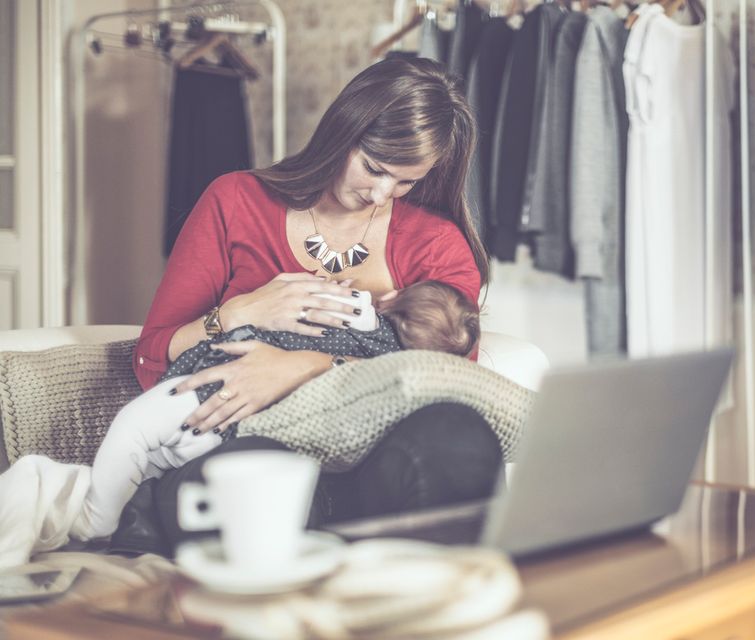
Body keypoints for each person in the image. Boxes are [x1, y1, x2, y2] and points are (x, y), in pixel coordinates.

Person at [120, 57, 503, 552]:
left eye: (405, 182)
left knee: (460, 436)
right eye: (374, 168)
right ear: (343, 132)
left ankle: (427, 607)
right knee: (229, 484)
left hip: (372, 465)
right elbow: (151, 357)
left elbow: (453, 380)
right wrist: (240, 313)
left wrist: (304, 366)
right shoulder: (236, 201)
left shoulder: (437, 245)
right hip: (252, 443)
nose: (381, 194)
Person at [67, 280, 481, 541]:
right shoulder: (394, 367)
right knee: (160, 455)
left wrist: (328, 291)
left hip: (216, 388)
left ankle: (98, 521)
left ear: (391, 298)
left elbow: (318, 301)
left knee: (134, 431)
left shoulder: (358, 309)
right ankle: (135, 509)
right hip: (244, 429)